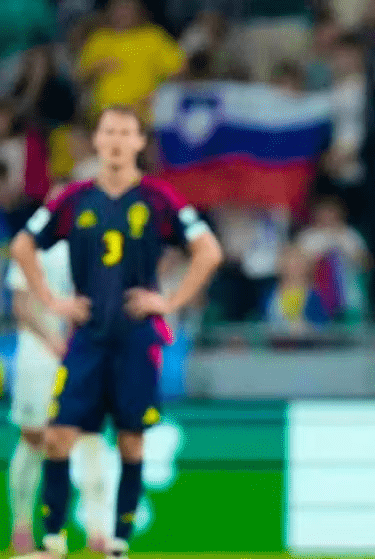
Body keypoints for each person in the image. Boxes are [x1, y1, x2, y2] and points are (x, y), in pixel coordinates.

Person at [10, 105, 222, 559]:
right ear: (98, 140)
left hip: (137, 338)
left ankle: (118, 543)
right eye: (110, 131)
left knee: (130, 439)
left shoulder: (161, 198)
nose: (117, 140)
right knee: (58, 435)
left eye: (127, 132)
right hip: (85, 335)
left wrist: (169, 301)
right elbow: (23, 244)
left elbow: (209, 251)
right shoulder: (74, 198)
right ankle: (52, 541)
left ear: (140, 143)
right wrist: (51, 299)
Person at [7, 232, 111, 554]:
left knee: (89, 435)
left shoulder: (97, 243)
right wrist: (52, 338)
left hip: (81, 352)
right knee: (35, 437)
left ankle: (97, 531)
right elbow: (21, 305)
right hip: (38, 352)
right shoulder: (31, 243)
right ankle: (22, 526)